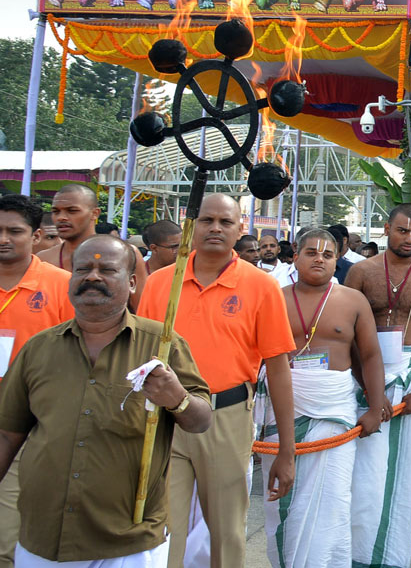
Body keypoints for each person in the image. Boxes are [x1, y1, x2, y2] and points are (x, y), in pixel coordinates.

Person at [0, 235, 211, 567]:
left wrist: (177, 398)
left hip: (128, 540)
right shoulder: (39, 348)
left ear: (130, 282)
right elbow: (7, 433)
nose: (92, 277)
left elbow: (201, 420)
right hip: (42, 536)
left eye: (106, 269)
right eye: (83, 268)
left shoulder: (163, 344)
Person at [139, 194, 297, 568]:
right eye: (206, 220)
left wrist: (286, 449)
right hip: (164, 420)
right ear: (190, 225)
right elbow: (140, 357)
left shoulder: (260, 287)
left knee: (226, 532)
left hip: (225, 417)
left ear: (241, 228)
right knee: (161, 530)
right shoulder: (162, 282)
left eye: (225, 222)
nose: (215, 228)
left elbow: (277, 368)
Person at [263, 226, 388, 568]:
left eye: (328, 254)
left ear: (337, 261)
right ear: (295, 257)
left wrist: (375, 407)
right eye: (311, 253)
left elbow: (371, 356)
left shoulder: (352, 300)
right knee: (280, 500)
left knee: (332, 499)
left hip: (334, 408)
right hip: (281, 408)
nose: (319, 258)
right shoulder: (274, 298)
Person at [345, 203, 411, 568]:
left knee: (405, 471)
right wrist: (370, 390)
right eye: (403, 231)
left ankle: (392, 560)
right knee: (364, 471)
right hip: (364, 375)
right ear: (387, 228)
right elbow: (348, 335)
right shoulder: (361, 271)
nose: (410, 239)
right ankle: (357, 555)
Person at [0, 195, 73, 568]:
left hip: (30, 422)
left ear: (37, 235)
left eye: (14, 231)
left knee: (7, 532)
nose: (3, 239)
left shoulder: (61, 285)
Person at [41, 185, 100, 274]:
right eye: (56, 211)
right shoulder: (43, 260)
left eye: (72, 211)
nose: (61, 218)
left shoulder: (116, 255)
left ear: (95, 213)